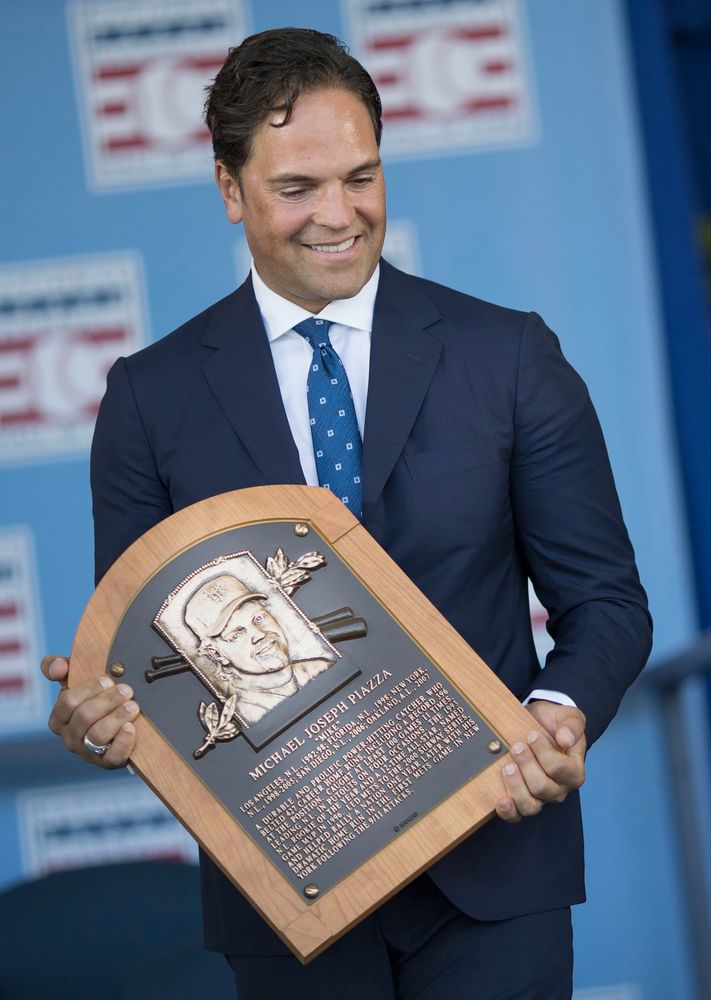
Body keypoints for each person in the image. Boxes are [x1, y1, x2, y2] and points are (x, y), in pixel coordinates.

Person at [42, 27, 652, 1000]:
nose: (340, 214)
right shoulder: (148, 398)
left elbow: (609, 604)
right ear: (230, 189)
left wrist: (554, 720)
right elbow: (143, 658)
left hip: (495, 870)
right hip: (287, 904)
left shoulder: (510, 357)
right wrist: (101, 721)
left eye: (361, 177)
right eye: (297, 188)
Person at [184, 573, 335, 723]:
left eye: (258, 618)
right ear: (217, 654)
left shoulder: (320, 669)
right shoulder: (247, 714)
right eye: (236, 635)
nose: (259, 634)